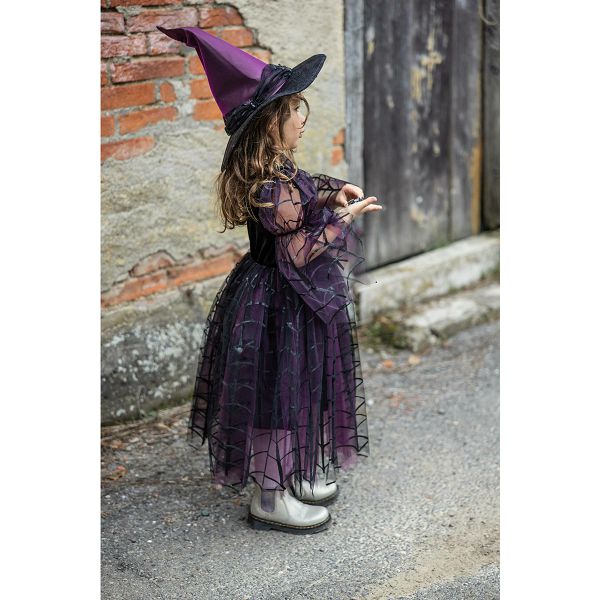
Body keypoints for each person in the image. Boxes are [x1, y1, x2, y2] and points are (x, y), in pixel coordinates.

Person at [157, 25, 383, 534]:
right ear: (269, 124)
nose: (302, 119)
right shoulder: (266, 186)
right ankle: (270, 496)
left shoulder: (278, 171)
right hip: (274, 300)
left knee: (299, 385)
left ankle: (292, 472)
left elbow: (300, 196)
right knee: (276, 392)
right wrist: (342, 220)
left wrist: (329, 194)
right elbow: (297, 250)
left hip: (289, 297)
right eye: (293, 111)